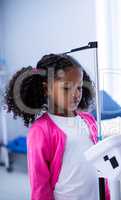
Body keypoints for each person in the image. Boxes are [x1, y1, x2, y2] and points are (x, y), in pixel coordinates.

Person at [5, 54, 110, 200]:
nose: (76, 94)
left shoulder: (88, 119)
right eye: (67, 88)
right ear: (46, 88)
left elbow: (100, 166)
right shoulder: (41, 130)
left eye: (79, 87)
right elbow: (40, 184)